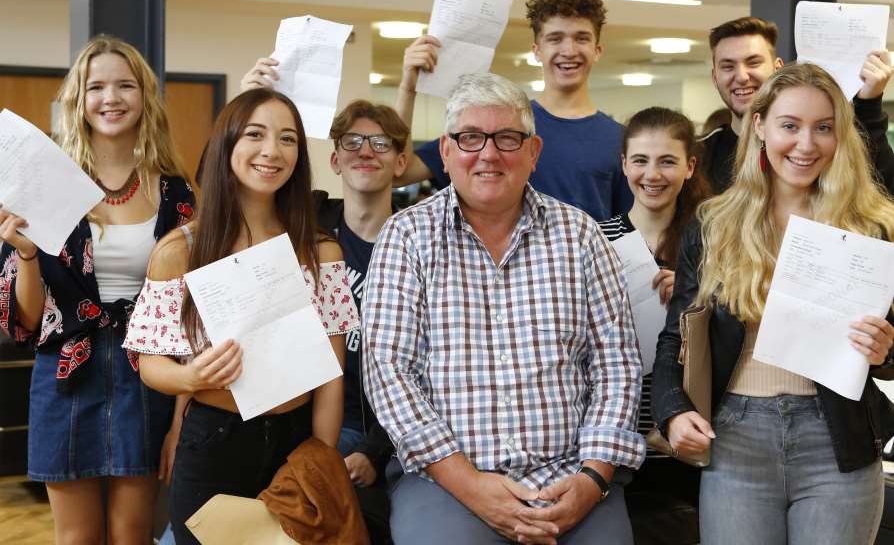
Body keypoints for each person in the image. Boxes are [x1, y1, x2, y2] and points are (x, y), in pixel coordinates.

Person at [363, 72, 645, 545]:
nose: (489, 154)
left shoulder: (580, 236)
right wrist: (471, 486)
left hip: (572, 474)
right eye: (470, 138)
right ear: (447, 152)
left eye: (507, 138)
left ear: (533, 153)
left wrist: (591, 480)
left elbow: (616, 366)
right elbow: (388, 372)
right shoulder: (406, 237)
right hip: (447, 480)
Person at [652, 63, 894, 544]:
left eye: (823, 128)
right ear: (760, 126)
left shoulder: (872, 227)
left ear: (841, 136)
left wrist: (885, 349)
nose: (806, 145)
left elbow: (890, 360)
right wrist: (674, 411)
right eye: (790, 126)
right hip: (736, 439)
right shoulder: (715, 224)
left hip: (838, 443)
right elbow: (675, 337)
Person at [123, 88, 358, 545]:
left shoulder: (320, 250)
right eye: (256, 134)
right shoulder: (181, 250)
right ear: (227, 143)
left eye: (288, 139)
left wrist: (322, 457)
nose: (272, 150)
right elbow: (151, 362)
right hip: (213, 441)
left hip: (297, 441)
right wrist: (190, 376)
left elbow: (332, 372)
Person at [0, 34, 195, 544]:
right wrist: (24, 254)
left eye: (125, 85)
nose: (111, 98)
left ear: (145, 97)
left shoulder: (176, 191)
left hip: (148, 370)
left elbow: (194, 315)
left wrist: (182, 415)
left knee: (133, 535)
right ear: (79, 100)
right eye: (97, 86)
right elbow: (27, 319)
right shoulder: (42, 182)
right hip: (66, 373)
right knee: (76, 538)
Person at [241, 67, 409, 544]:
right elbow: (231, 183)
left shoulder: (421, 246)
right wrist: (250, 102)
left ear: (401, 163)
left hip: (378, 432)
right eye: (352, 143)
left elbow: (431, 367)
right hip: (294, 415)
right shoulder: (306, 221)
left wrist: (375, 453)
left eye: (380, 144)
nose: (365, 153)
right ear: (334, 161)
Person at [390, 0, 633, 221]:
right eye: (555, 39)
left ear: (597, 50)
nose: (568, 50)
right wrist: (407, 88)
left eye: (581, 38)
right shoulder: (501, 122)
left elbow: (629, 227)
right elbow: (400, 172)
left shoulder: (620, 139)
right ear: (536, 50)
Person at [597, 107, 709, 529]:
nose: (652, 174)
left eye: (667, 161)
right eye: (640, 160)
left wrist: (693, 294)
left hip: (690, 432)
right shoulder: (595, 240)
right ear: (624, 164)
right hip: (619, 434)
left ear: (690, 166)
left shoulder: (711, 242)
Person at [702, 16, 894, 195]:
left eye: (753, 63)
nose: (742, 77)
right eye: (728, 66)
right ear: (714, 77)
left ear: (778, 68)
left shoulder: (827, 149)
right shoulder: (700, 155)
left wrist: (869, 104)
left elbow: (880, 193)